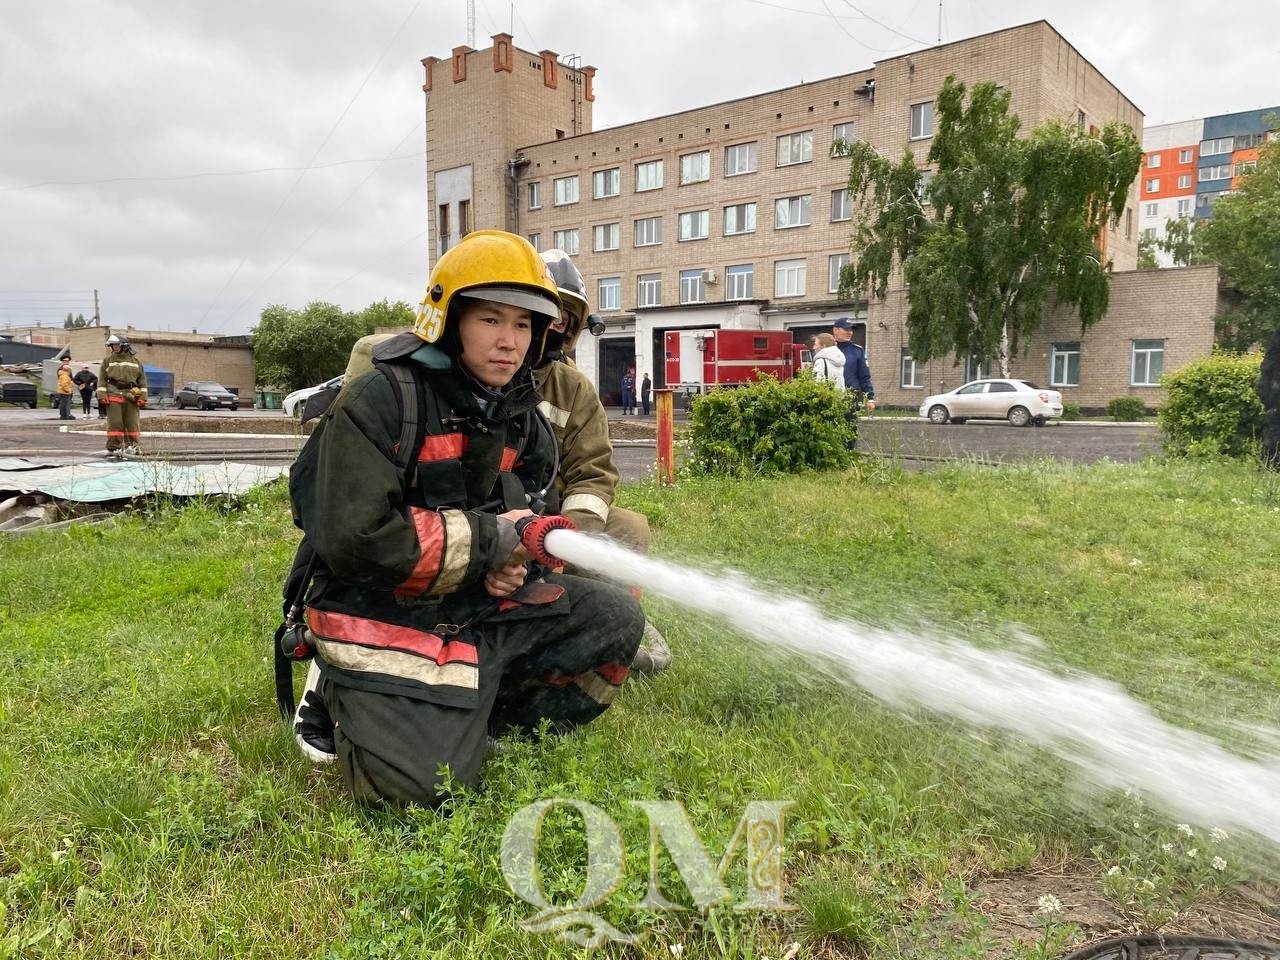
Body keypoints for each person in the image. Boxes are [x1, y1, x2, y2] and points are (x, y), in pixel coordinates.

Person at [288, 230, 644, 807]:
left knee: (614, 618)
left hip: (467, 604)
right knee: (424, 797)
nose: (510, 341)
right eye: (492, 320)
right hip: (375, 605)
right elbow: (357, 538)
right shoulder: (383, 399)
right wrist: (492, 544)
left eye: (524, 325)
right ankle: (338, 685)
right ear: (450, 321)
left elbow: (519, 508)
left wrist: (513, 562)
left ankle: (482, 713)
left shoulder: (519, 411)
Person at [535, 249, 671, 674]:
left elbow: (594, 473)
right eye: (545, 311)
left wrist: (566, 537)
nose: (555, 324)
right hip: (493, 522)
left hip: (553, 521)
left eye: (565, 316)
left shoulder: (571, 388)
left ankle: (613, 623)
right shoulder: (484, 373)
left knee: (628, 530)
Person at [100, 334, 148, 456]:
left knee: (132, 424)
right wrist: (102, 395)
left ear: (124, 346)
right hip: (113, 394)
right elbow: (102, 380)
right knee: (115, 423)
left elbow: (142, 381)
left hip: (131, 396)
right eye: (113, 345)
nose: (114, 347)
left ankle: (133, 447)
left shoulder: (136, 362)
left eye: (116, 345)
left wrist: (142, 398)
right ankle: (113, 447)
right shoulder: (107, 361)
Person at [832, 318, 876, 411]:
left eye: (850, 330)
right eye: (846, 329)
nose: (850, 332)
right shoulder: (828, 350)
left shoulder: (857, 351)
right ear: (835, 330)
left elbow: (864, 376)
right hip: (831, 396)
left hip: (851, 397)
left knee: (851, 424)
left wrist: (870, 398)